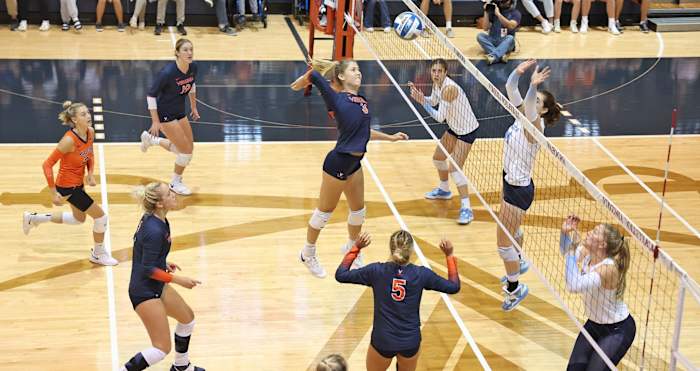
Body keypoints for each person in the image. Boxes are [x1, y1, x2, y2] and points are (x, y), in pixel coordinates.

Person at [290, 59, 409, 278]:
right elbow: (304, 80)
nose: (359, 73)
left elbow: (364, 132)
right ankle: (307, 253)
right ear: (342, 77)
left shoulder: (361, 101)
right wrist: (308, 77)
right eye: (353, 70)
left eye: (359, 69)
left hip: (355, 164)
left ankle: (351, 250)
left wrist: (390, 138)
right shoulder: (335, 98)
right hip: (338, 163)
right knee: (323, 213)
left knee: (358, 211)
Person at [335, 231, 460, 371]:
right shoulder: (422, 274)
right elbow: (453, 287)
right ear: (411, 250)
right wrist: (449, 255)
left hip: (383, 339)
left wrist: (356, 247)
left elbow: (341, 275)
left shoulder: (376, 271)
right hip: (410, 341)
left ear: (390, 248)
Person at [121, 182, 204, 371]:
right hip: (144, 291)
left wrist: (162, 262)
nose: (174, 195)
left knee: (187, 319)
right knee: (161, 348)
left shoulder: (157, 220)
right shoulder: (155, 230)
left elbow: (143, 252)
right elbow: (147, 269)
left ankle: (181, 366)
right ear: (159, 203)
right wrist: (179, 280)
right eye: (169, 194)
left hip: (156, 284)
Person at [22, 101, 118, 266]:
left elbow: (89, 153)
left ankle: (33, 218)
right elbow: (47, 165)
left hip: (77, 184)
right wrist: (53, 193)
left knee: (78, 219)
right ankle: (98, 254)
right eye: (83, 114)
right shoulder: (68, 141)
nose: (88, 116)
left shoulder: (90, 132)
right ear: (74, 120)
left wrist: (90, 173)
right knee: (101, 217)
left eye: (87, 113)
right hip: (67, 187)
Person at [498, 59, 561, 311]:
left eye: (536, 103)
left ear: (543, 111)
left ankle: (515, 289)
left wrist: (533, 87)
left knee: (503, 243)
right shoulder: (521, 116)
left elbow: (530, 112)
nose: (531, 104)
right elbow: (510, 87)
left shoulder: (534, 127)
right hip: (509, 181)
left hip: (518, 191)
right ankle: (519, 261)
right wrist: (519, 71)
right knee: (510, 234)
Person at [408, 58, 480, 225]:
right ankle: (444, 190)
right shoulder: (437, 84)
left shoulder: (449, 89)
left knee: (455, 169)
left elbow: (440, 117)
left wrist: (422, 103)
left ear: (446, 73)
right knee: (438, 158)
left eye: (440, 71)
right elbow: (433, 101)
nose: (436, 74)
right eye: (434, 71)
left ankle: (466, 208)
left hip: (467, 131)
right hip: (455, 128)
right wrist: (423, 97)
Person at [559, 215, 636, 370]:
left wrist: (570, 252)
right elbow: (567, 253)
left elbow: (573, 285)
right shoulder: (588, 253)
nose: (588, 232)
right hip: (594, 324)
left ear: (602, 244)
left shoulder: (608, 269)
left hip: (617, 329)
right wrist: (564, 234)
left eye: (594, 232)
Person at [140, 38, 199, 196]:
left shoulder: (193, 67)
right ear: (177, 53)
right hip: (165, 113)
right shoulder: (167, 73)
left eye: (191, 49)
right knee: (185, 152)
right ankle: (175, 182)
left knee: (188, 148)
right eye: (185, 50)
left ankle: (152, 140)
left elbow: (192, 85)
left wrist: (193, 106)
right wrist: (155, 121)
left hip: (180, 111)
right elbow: (151, 96)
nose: (189, 53)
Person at [476, 0, 521, 65]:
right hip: (493, 39)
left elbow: (511, 26)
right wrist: (486, 12)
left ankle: (494, 56)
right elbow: (485, 28)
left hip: (505, 42)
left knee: (510, 38)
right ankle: (500, 55)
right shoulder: (493, 10)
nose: (502, 2)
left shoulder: (515, 13)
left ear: (511, 1)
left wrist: (498, 14)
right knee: (480, 36)